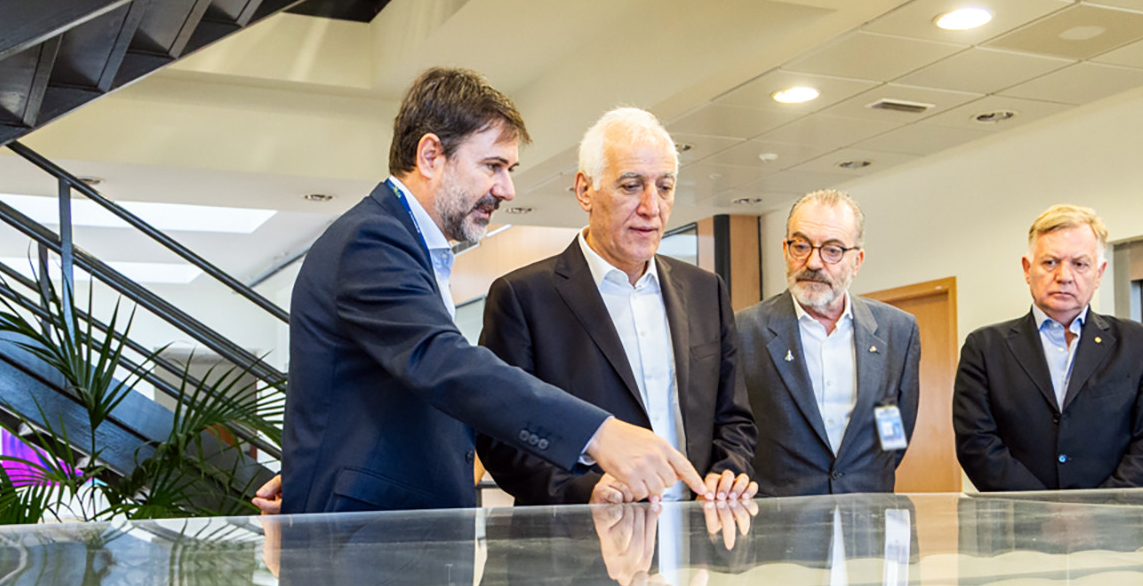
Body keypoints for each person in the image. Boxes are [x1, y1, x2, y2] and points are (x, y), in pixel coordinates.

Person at [268, 70, 704, 515]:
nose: (506, 189)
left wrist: (321, 462)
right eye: (492, 166)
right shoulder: (372, 240)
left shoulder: (408, 244)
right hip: (371, 540)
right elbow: (443, 363)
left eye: (508, 170)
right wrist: (599, 434)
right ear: (430, 156)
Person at [477, 108, 755, 505]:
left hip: (695, 530)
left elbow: (734, 418)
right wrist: (586, 490)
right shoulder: (523, 297)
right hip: (588, 532)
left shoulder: (705, 290)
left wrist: (729, 470)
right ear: (585, 190)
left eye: (664, 187)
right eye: (630, 186)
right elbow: (501, 438)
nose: (651, 207)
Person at [953, 204, 1143, 491]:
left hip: (1116, 515)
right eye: (1050, 262)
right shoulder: (984, 349)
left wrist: (1101, 508)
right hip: (1018, 515)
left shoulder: (1142, 346)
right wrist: (1040, 509)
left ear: (1099, 273)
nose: (1064, 276)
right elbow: (976, 444)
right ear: (1027, 269)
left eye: (1080, 264)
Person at [734, 190, 921, 497]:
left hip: (867, 512)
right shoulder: (743, 331)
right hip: (781, 517)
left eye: (832, 250)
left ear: (857, 261)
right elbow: (734, 432)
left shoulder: (897, 331)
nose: (813, 262)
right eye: (801, 246)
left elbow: (895, 433)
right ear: (785, 250)